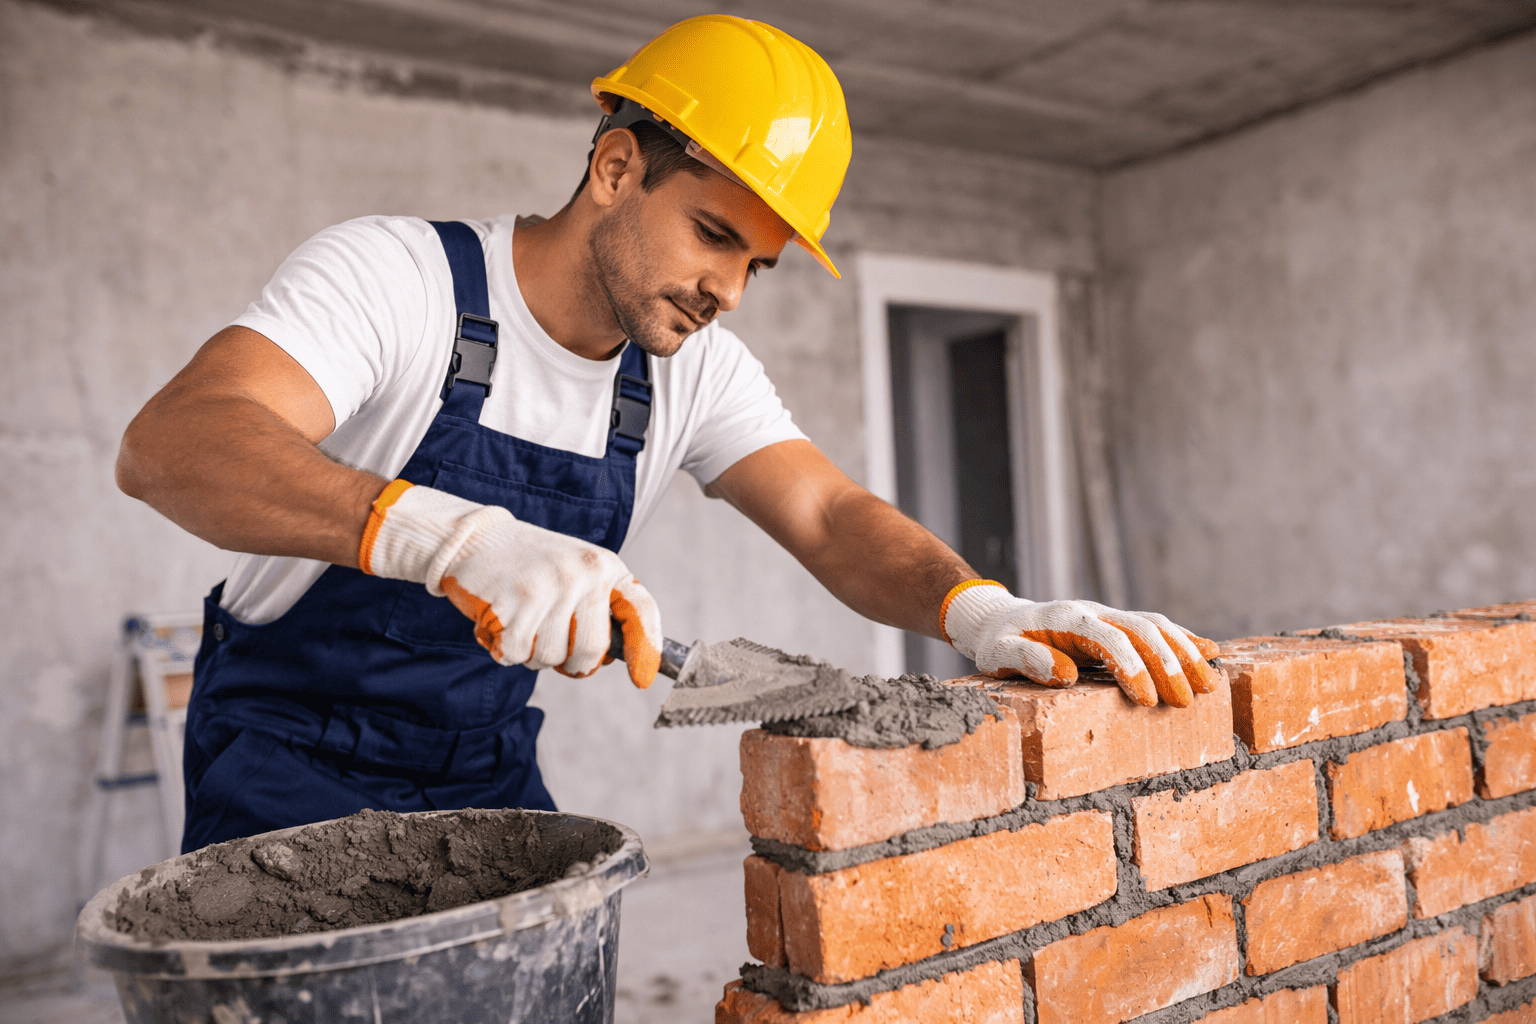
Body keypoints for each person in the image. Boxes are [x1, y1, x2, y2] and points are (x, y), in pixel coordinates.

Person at [116, 15, 1220, 854]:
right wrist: (448, 539)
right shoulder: (400, 281)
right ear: (614, 168)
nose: (729, 290)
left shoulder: (684, 374)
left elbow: (831, 514)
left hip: (483, 768)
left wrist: (983, 609)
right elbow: (175, 443)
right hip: (281, 769)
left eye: (757, 264)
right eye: (712, 234)